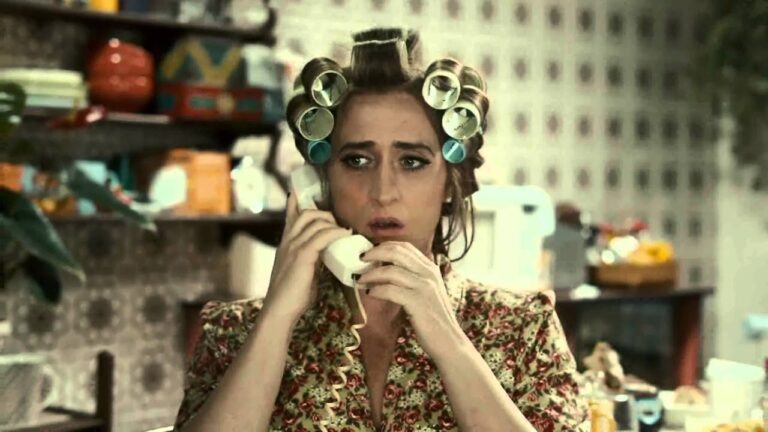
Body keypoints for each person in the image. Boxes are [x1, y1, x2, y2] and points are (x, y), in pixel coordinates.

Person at [174, 27, 588, 432]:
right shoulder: (233, 332)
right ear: (320, 183)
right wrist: (276, 320)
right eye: (357, 160)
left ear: (450, 183)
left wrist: (451, 343)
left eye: (412, 162)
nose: (383, 192)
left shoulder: (523, 329)